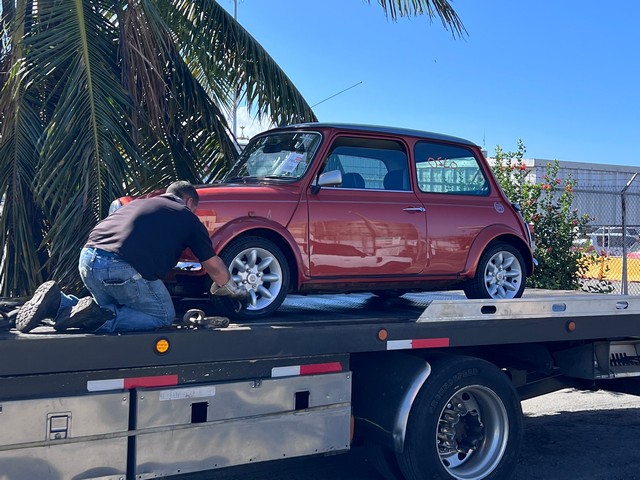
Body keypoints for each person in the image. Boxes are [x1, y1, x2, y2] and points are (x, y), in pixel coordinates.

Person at [16, 181, 247, 333]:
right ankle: (98, 320)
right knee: (162, 316)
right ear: (188, 202)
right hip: (120, 269)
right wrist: (233, 289)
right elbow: (213, 265)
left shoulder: (139, 204)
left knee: (110, 305)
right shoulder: (186, 216)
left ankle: (59, 302)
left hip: (88, 259)